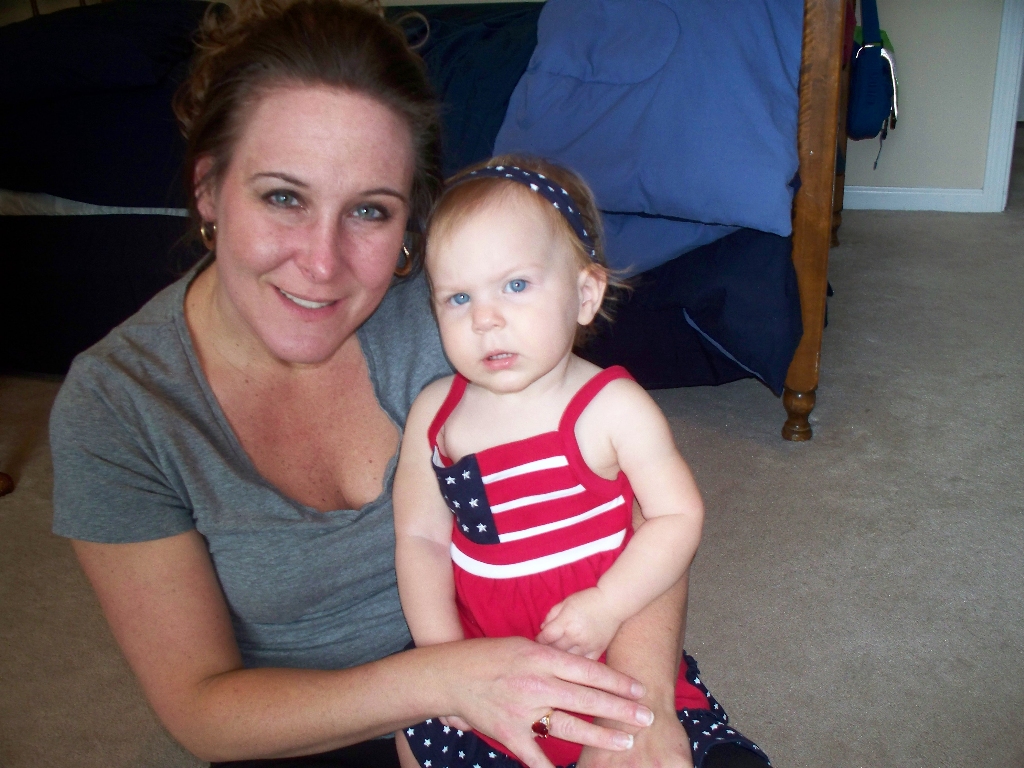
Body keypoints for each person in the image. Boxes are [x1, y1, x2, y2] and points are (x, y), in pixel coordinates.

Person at [47, 2, 718, 767]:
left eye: (369, 210)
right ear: (208, 187)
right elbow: (202, 708)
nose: (321, 263)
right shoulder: (119, 406)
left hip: (566, 660)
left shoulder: (465, 315)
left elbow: (637, 506)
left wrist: (636, 707)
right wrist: (450, 680)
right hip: (321, 724)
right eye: (283, 197)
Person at [393, 158, 770, 768]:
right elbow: (420, 539)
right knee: (416, 744)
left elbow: (677, 516)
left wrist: (608, 604)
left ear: (585, 295)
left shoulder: (613, 408)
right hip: (491, 673)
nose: (485, 318)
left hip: (610, 661)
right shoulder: (435, 416)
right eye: (458, 297)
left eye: (516, 285)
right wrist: (444, 657)